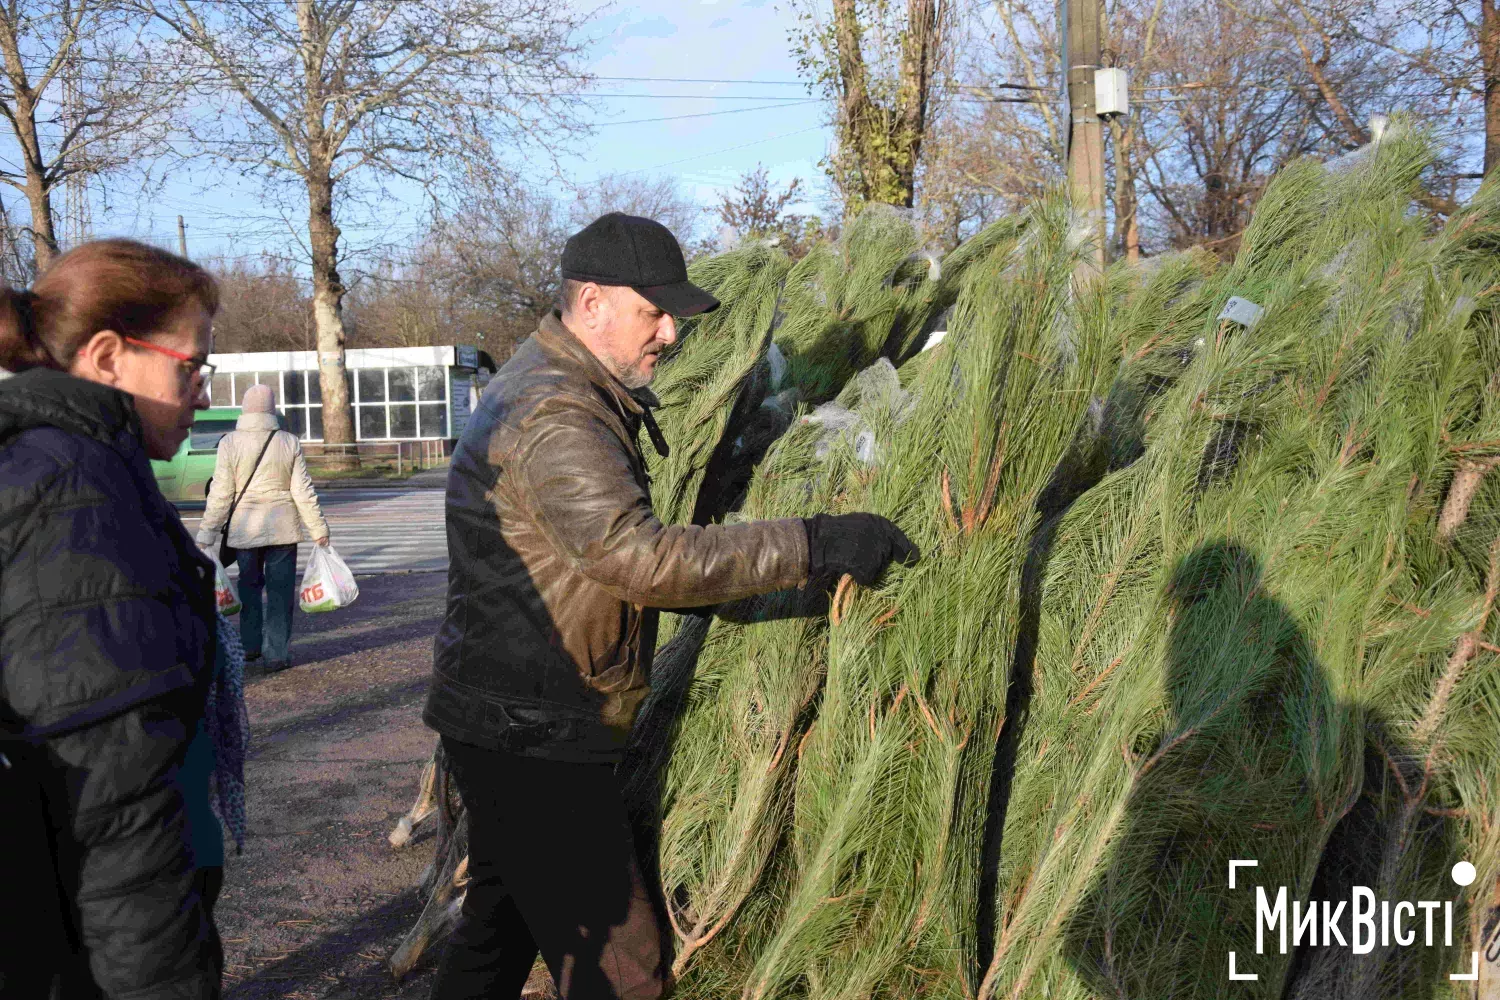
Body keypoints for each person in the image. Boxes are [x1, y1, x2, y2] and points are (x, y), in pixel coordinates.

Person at [424, 212, 921, 1000]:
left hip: (507, 712)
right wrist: (814, 541)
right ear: (592, 303)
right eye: (653, 313)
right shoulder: (559, 413)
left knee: (499, 928)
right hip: (536, 732)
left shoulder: (555, 382)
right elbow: (641, 560)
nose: (669, 334)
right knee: (622, 970)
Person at [0, 239, 225, 997]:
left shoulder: (73, 467)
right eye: (190, 367)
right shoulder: (76, 495)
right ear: (106, 357)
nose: (201, 394)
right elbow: (117, 808)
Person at [196, 383, 329, 673]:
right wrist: (318, 529)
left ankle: (250, 646)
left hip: (245, 530)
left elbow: (221, 492)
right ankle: (276, 654)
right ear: (272, 409)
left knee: (249, 587)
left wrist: (207, 533)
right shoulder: (289, 442)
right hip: (283, 528)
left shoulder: (230, 443)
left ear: (245, 409)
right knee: (281, 592)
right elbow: (302, 490)